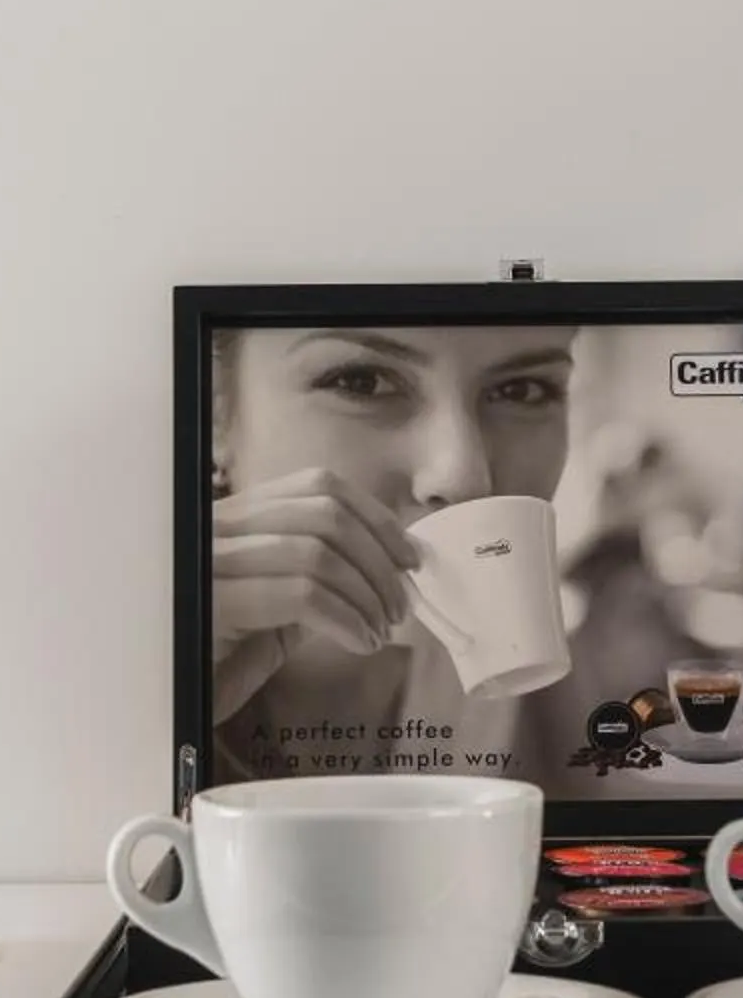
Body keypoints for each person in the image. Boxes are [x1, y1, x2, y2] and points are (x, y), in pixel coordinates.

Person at [209, 322, 579, 781]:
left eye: (522, 390)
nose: (464, 479)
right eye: (361, 382)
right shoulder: (119, 674)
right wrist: (164, 708)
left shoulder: (560, 694)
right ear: (214, 415)